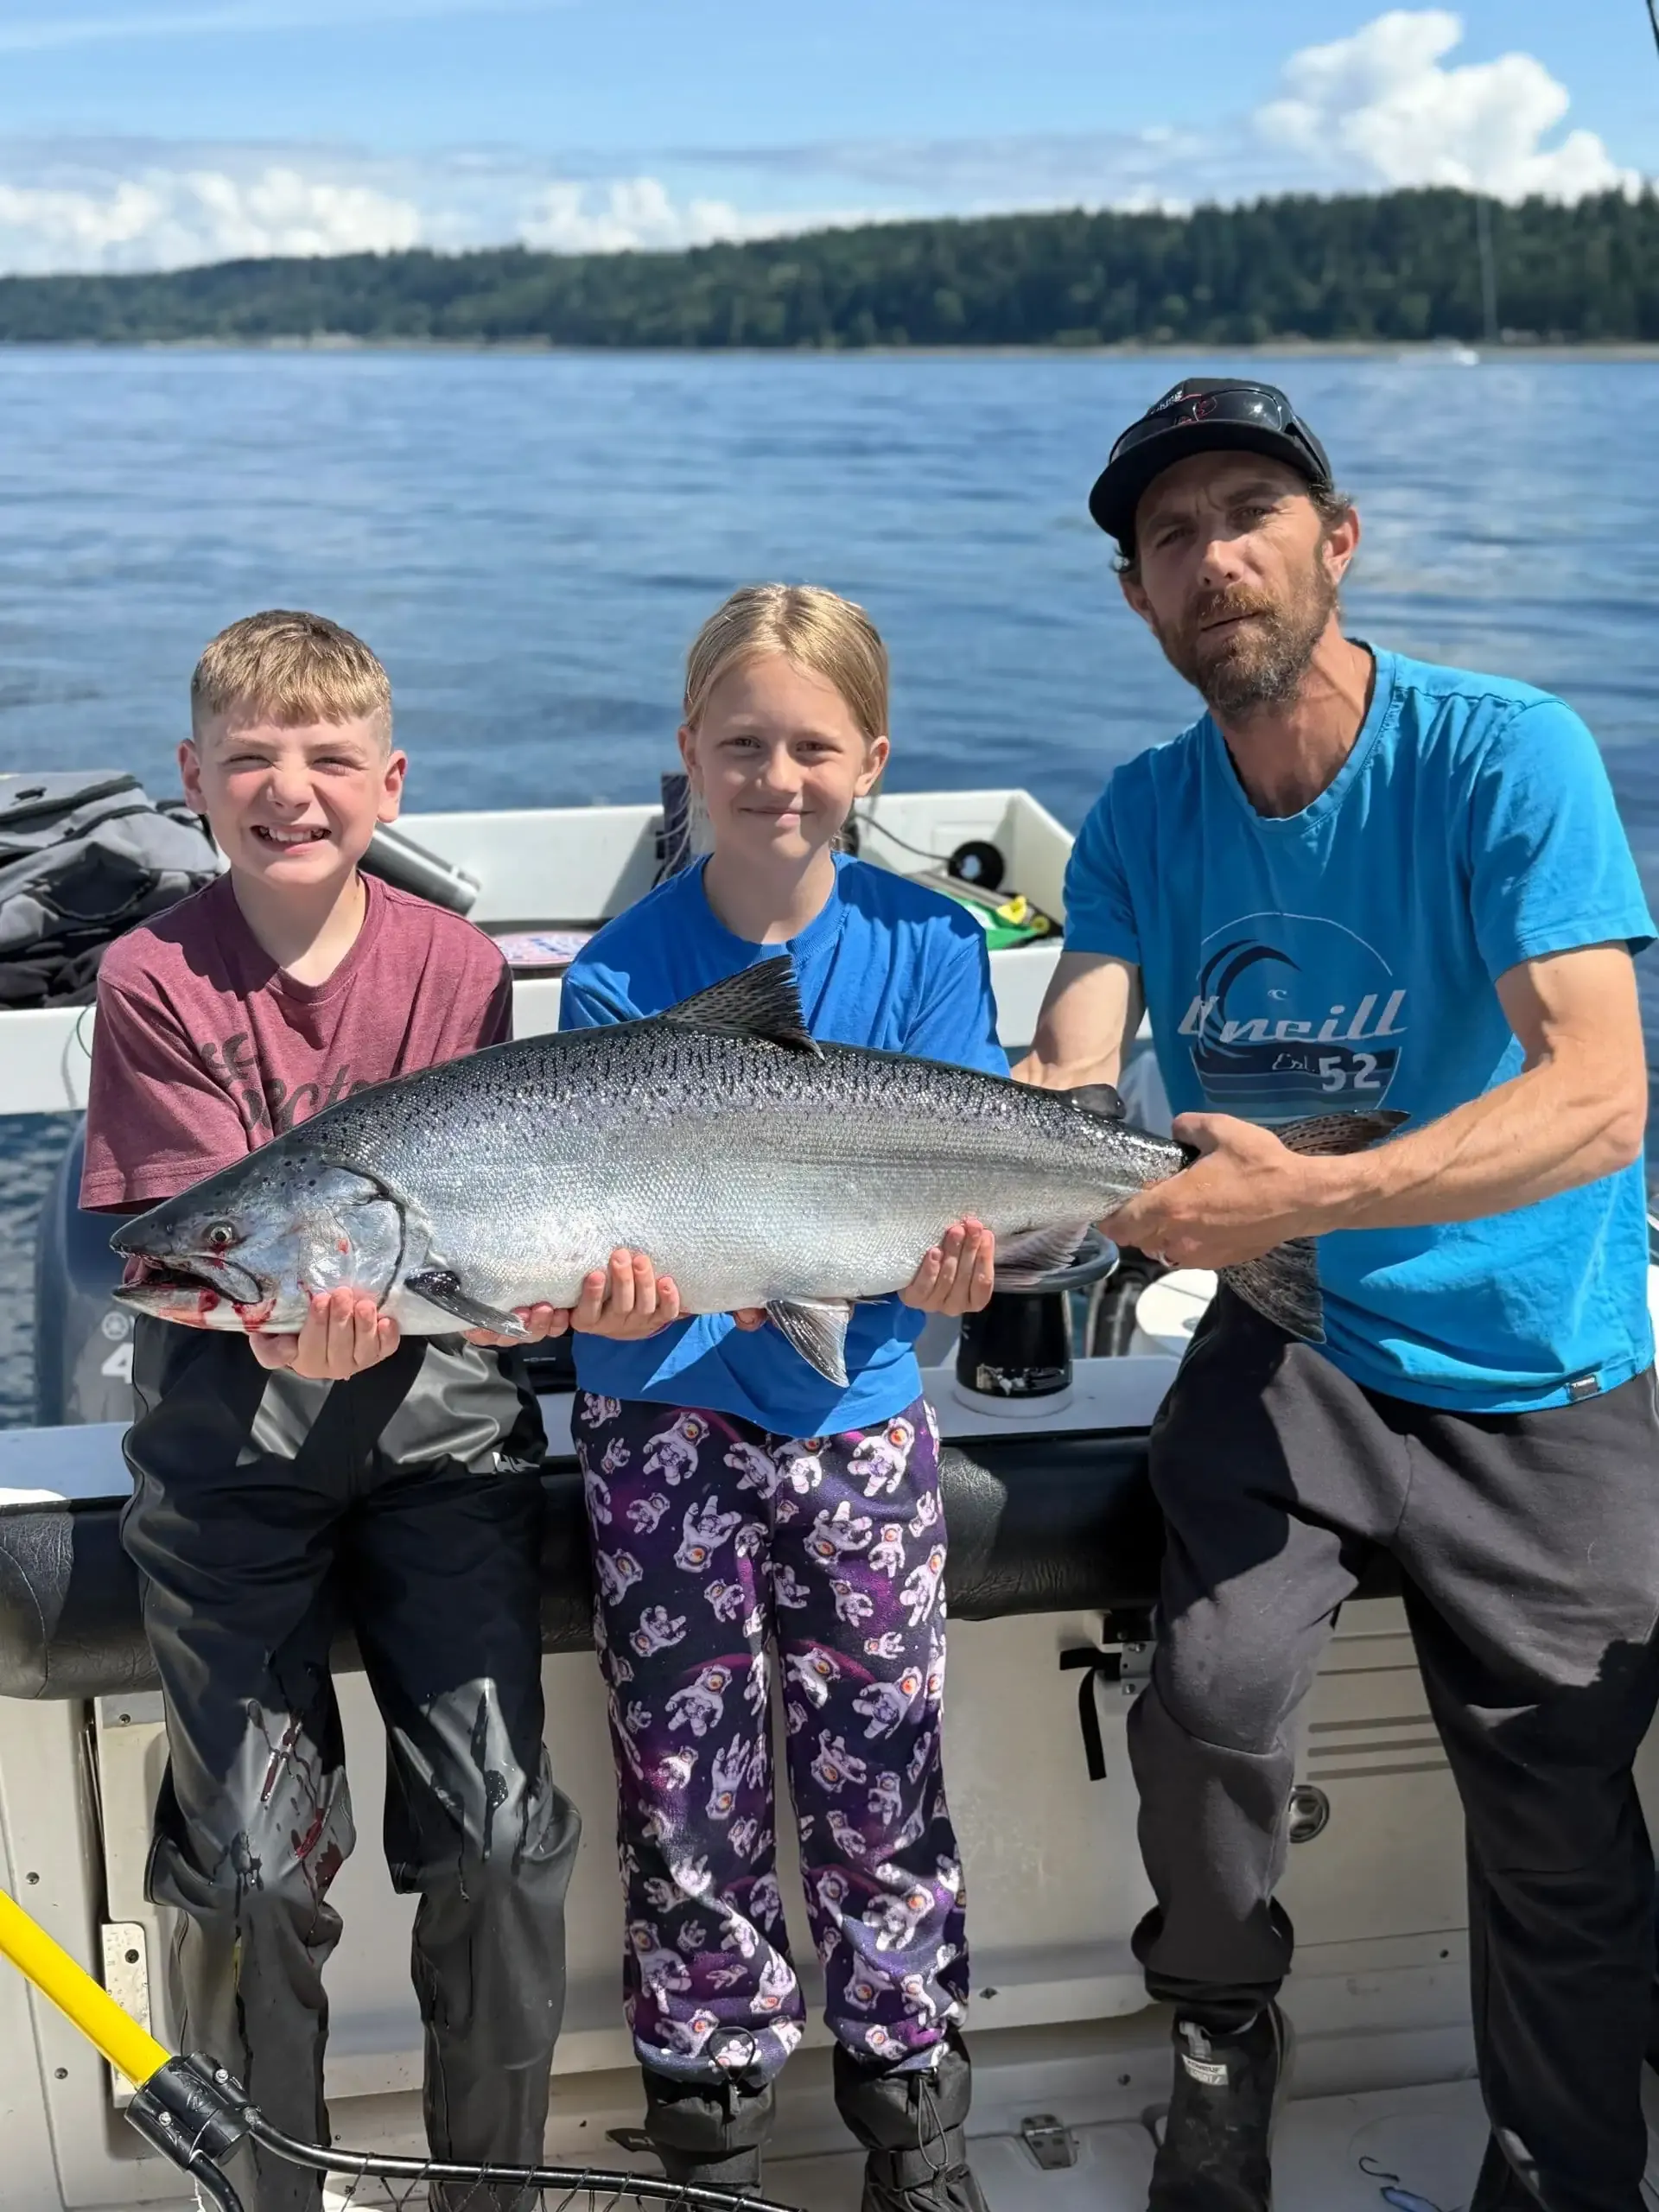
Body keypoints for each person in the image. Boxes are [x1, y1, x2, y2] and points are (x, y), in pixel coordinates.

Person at [1014, 379, 1659, 2212]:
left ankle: (1562, 2170)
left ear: (1339, 539)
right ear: (1138, 597)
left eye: (1249, 513)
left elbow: (1602, 1092)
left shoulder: (1502, 753)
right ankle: (1221, 2036)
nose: (1212, 557)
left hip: (1538, 1351)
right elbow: (1071, 1071)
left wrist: (1310, 1191)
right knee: (1206, 1703)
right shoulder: (1145, 811)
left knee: (1558, 1792)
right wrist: (967, 1195)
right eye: (1170, 538)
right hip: (1292, 1338)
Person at [80, 611, 581, 2212]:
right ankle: (268, 2196)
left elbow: (489, 1247)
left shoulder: (458, 968)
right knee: (246, 1867)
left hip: (443, 1443)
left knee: (500, 1838)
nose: (288, 789)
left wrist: (550, 1297)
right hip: (230, 1457)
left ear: (391, 781)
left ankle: (489, 2198)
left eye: (328, 757)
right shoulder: (152, 977)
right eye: (250, 758)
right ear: (192, 777)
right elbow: (178, 1254)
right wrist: (293, 1347)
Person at [556, 584, 1001, 2210]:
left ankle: (916, 2127)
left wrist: (963, 1272)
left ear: (871, 759)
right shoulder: (618, 974)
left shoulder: (933, 945)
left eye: (814, 746)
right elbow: (599, 1228)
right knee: (684, 1783)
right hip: (660, 1416)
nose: (777, 776)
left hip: (856, 1417)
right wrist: (611, 1299)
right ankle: (711, 2130)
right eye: (742, 744)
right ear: (688, 752)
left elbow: (959, 1195)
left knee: (885, 1766)